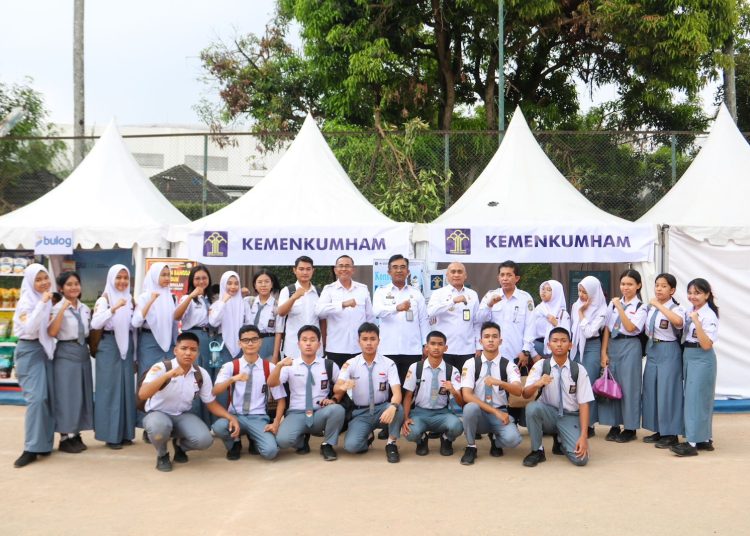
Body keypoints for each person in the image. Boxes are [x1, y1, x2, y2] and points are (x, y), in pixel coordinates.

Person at [139, 331, 239, 472]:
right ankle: (162, 455)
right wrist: (168, 375)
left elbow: (210, 402)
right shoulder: (162, 368)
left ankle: (180, 446)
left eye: (193, 350)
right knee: (159, 427)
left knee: (205, 440)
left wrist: (230, 417)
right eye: (184, 348)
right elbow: (143, 394)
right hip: (157, 413)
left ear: (197, 353)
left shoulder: (201, 373)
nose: (188, 353)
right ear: (175, 350)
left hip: (181, 415)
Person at [269, 325, 346, 461]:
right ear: (298, 344)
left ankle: (327, 444)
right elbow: (271, 383)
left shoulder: (329, 364)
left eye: (312, 340)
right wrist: (279, 366)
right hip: (297, 413)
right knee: (282, 441)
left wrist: (334, 399)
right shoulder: (290, 365)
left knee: (337, 410)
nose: (308, 343)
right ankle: (301, 440)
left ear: (319, 344)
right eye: (304, 340)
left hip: (319, 412)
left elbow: (341, 387)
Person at [211, 325, 286, 461]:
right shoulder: (231, 366)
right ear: (239, 343)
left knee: (270, 452)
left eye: (254, 339)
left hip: (258, 417)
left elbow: (281, 399)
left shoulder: (270, 367)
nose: (250, 343)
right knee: (219, 427)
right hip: (235, 416)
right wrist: (233, 379)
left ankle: (254, 438)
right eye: (245, 340)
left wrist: (275, 423)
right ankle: (235, 443)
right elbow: (215, 391)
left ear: (260, 341)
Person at [521, 327, 593, 467]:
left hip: (570, 416)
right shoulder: (541, 365)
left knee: (581, 460)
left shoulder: (579, 370)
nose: (559, 344)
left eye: (563, 341)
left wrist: (583, 436)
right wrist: (538, 383)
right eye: (555, 341)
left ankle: (561, 441)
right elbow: (525, 394)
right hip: (548, 414)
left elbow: (584, 404)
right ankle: (537, 451)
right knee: (532, 408)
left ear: (570, 345)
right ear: (548, 345)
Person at [334, 323, 404, 463]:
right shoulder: (350, 363)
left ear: (379, 340)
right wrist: (343, 386)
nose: (369, 343)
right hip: (361, 412)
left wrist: (392, 406)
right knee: (352, 446)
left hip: (381, 409)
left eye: (373, 339)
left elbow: (397, 392)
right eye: (364, 339)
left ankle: (391, 444)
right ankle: (367, 436)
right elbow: (336, 388)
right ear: (358, 341)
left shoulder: (388, 363)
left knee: (397, 408)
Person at [459, 321, 523, 465]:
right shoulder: (471, 364)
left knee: (514, 440)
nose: (490, 340)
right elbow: (467, 395)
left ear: (500, 341)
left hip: (500, 413)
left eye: (494, 336)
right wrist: (495, 412)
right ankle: (471, 446)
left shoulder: (508, 365)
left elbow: (519, 391)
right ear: (480, 341)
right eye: (486, 336)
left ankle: (495, 439)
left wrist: (500, 383)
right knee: (470, 407)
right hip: (480, 413)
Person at [12, 264, 55, 468]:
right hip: (28, 351)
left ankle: (43, 444)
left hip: (44, 350)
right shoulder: (27, 302)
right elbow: (29, 327)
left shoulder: (44, 299)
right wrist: (43, 304)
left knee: (46, 398)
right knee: (36, 399)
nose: (43, 283)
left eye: (45, 278)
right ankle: (30, 448)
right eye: (38, 280)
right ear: (30, 282)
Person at [671, 278, 720, 457]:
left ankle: (691, 443)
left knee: (696, 399)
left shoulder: (709, 315)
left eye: (697, 293)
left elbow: (707, 344)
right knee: (696, 398)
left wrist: (697, 322)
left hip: (702, 357)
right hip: (689, 355)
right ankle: (704, 439)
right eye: (690, 293)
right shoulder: (691, 310)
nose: (693, 296)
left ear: (707, 295)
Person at [599, 269, 647, 443]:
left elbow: (632, 327)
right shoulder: (613, 304)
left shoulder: (641, 307)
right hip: (614, 344)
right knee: (613, 385)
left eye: (630, 284)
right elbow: (607, 329)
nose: (625, 288)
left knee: (629, 386)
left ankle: (630, 427)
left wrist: (620, 308)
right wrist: (603, 352)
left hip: (630, 345)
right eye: (623, 284)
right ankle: (614, 424)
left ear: (638, 286)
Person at [48, 271, 93, 454]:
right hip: (66, 352)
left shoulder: (84, 308)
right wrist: (62, 310)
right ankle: (65, 436)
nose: (73, 287)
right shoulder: (56, 307)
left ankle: (76, 433)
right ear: (61, 288)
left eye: (76, 283)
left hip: (82, 352)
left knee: (81, 394)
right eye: (69, 284)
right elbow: (52, 332)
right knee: (67, 396)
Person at [91, 264, 136, 449]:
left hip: (127, 347)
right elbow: (95, 323)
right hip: (109, 345)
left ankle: (125, 433)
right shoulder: (105, 299)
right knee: (109, 391)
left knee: (126, 389)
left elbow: (133, 327)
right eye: (118, 277)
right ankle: (110, 435)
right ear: (111, 279)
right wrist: (113, 308)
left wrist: (135, 356)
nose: (122, 281)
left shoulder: (130, 299)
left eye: (126, 278)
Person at [401, 330, 464, 456]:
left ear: (445, 348)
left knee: (457, 426)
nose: (436, 347)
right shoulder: (415, 368)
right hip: (420, 412)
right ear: (426, 347)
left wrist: (453, 391)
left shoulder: (452, 371)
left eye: (440, 344)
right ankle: (422, 440)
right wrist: (406, 418)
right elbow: (408, 396)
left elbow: (461, 402)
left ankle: (446, 439)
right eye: (433, 343)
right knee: (410, 432)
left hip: (442, 413)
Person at [641, 273, 685, 449]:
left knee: (668, 392)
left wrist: (659, 305)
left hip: (669, 349)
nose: (659, 288)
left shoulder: (676, 308)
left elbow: (679, 322)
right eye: (657, 285)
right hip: (653, 349)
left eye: (664, 286)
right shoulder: (651, 308)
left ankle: (671, 433)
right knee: (652, 390)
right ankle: (659, 429)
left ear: (672, 290)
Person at [132, 262, 177, 430]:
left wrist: (175, 344)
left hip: (168, 345)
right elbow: (136, 322)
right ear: (154, 276)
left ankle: (165, 422)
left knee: (167, 383)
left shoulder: (171, 297)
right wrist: (150, 301)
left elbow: (173, 324)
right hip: (149, 343)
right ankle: (146, 424)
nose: (166, 278)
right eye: (163, 275)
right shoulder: (144, 296)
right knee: (148, 381)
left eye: (168, 274)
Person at [373, 254, 429, 383]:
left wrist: (425, 344)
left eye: (403, 267)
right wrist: (396, 308)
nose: (399, 270)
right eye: (395, 267)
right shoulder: (381, 292)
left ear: (408, 272)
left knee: (409, 388)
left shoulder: (416, 293)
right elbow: (377, 311)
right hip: (387, 350)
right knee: (388, 389)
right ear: (389, 271)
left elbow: (423, 321)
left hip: (412, 350)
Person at [315, 255, 374, 368]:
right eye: (341, 266)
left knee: (359, 383)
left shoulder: (363, 289)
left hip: (359, 347)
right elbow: (319, 311)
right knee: (337, 384)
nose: (344, 269)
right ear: (335, 270)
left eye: (347, 266)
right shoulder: (329, 289)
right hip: (336, 348)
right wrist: (342, 304)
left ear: (353, 269)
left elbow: (370, 318)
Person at [477, 261, 535, 373]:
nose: (505, 278)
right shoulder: (490, 295)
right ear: (498, 277)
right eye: (502, 275)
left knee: (515, 388)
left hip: (517, 354)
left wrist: (526, 351)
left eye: (509, 275)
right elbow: (479, 320)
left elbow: (530, 326)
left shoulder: (525, 298)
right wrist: (489, 305)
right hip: (493, 354)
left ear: (517, 278)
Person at [173, 264, 214, 425]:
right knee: (194, 378)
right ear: (191, 281)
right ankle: (192, 420)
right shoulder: (187, 298)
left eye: (204, 278)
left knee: (206, 379)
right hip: (192, 337)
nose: (201, 281)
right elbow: (177, 316)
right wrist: (191, 296)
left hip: (208, 339)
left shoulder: (210, 298)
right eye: (197, 278)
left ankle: (206, 421)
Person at [569, 275, 607, 436]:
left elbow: (590, 332)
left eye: (585, 292)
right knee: (574, 384)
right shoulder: (576, 305)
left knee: (588, 384)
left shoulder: (602, 309)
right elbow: (573, 329)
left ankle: (589, 424)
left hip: (591, 347)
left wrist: (582, 314)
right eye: (579, 291)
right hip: (576, 347)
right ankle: (575, 420)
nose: (581, 295)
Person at [426, 262, 480, 371]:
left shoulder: (472, 294)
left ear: (465, 276)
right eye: (453, 272)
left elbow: (477, 323)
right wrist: (453, 301)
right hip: (444, 349)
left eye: (460, 272)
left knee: (466, 384)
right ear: (447, 275)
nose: (456, 275)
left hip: (467, 349)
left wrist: (479, 346)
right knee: (444, 384)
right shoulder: (438, 293)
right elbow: (430, 312)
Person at [276, 256, 322, 360]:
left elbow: (323, 320)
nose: (305, 272)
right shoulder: (287, 290)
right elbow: (281, 312)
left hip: (315, 347)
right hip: (293, 347)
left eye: (308, 269)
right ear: (294, 270)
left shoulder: (319, 292)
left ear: (313, 271)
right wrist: (294, 297)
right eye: (301, 269)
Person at [245, 269, 281, 362]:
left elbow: (278, 332)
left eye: (267, 282)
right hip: (250, 343)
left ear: (272, 284)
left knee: (268, 373)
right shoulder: (248, 302)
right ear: (255, 285)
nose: (263, 285)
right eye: (260, 282)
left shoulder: (277, 305)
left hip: (268, 342)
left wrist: (275, 356)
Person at [529, 280, 571, 359]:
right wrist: (533, 353)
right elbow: (529, 330)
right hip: (535, 348)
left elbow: (566, 336)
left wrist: (556, 324)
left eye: (548, 290)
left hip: (555, 349)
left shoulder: (562, 314)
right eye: (543, 289)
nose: (544, 292)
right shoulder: (538, 309)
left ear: (556, 293)